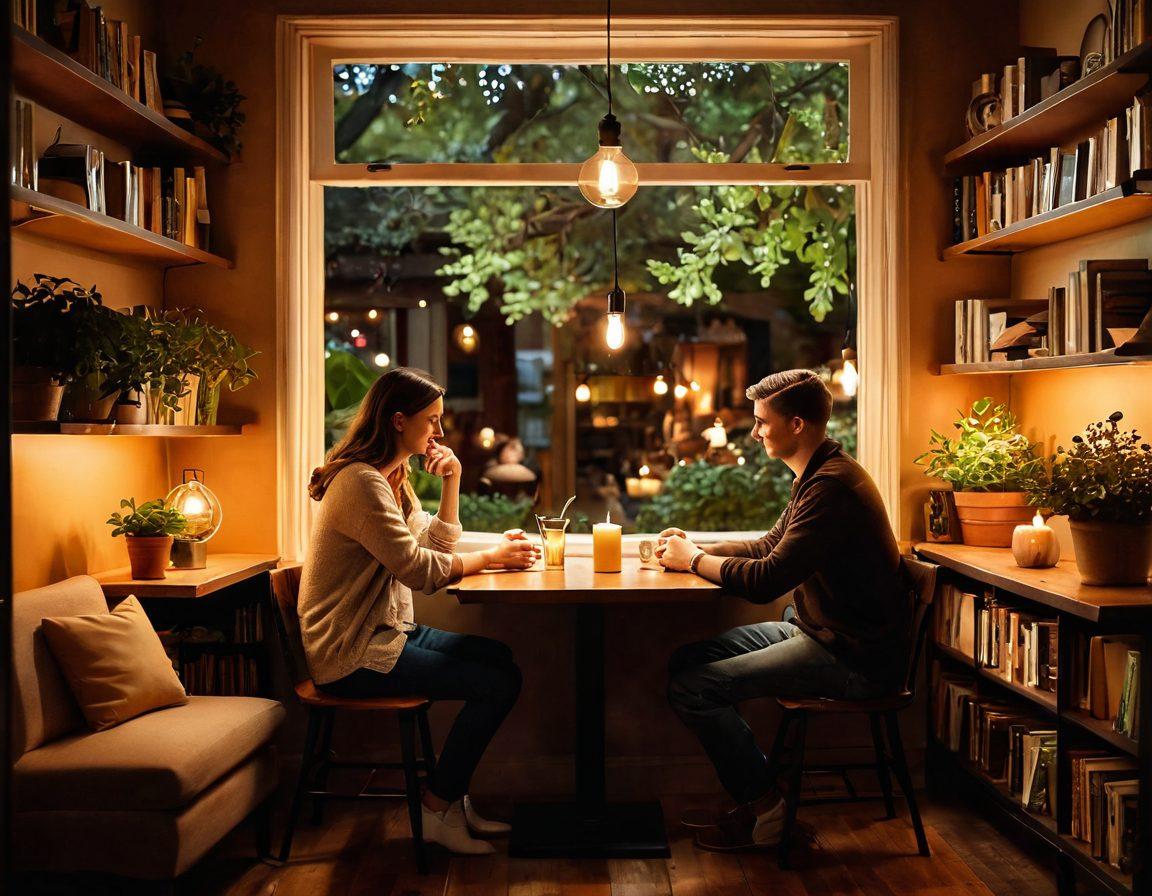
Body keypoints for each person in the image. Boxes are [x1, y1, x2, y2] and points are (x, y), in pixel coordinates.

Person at [657, 369, 910, 851]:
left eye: (761, 422)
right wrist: (697, 545)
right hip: (818, 633)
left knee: (693, 689)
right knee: (685, 663)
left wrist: (694, 561)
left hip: (854, 658)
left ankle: (770, 811)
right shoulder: (816, 474)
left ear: (796, 424)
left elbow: (768, 579)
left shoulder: (831, 486)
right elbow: (769, 545)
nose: (753, 432)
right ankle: (763, 797)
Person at [301, 367, 540, 856]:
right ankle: (438, 807)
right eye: (431, 421)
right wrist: (492, 557)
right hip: (351, 654)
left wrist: (453, 480)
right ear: (397, 421)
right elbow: (419, 570)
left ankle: (450, 798)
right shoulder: (361, 484)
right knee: (499, 683)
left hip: (387, 634)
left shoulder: (391, 478)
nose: (438, 432)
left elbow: (431, 543)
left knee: (500, 658)